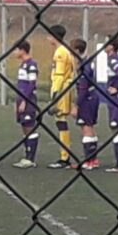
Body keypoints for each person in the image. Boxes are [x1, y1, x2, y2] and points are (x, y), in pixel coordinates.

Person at [47, 25, 76, 169]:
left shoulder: (60, 52)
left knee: (61, 121)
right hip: (66, 87)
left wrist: (54, 94)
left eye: (49, 35)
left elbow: (59, 75)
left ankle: (65, 157)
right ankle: (65, 156)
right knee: (61, 121)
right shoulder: (66, 50)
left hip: (62, 89)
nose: (47, 38)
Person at [72, 38, 101, 170]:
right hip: (93, 97)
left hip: (87, 98)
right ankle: (93, 159)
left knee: (86, 128)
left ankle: (88, 161)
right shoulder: (88, 61)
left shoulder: (84, 66)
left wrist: (76, 105)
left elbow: (83, 88)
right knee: (90, 127)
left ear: (77, 50)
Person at [12, 40, 40, 169]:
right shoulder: (23, 65)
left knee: (29, 127)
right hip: (21, 99)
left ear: (22, 50)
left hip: (28, 101)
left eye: (16, 50)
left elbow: (31, 84)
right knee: (24, 127)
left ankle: (30, 158)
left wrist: (24, 101)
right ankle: (27, 155)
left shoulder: (31, 65)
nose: (14, 52)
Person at [102, 36, 118, 173]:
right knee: (115, 129)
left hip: (116, 99)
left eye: (107, 43)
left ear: (111, 46)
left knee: (115, 128)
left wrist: (116, 87)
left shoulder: (113, 59)